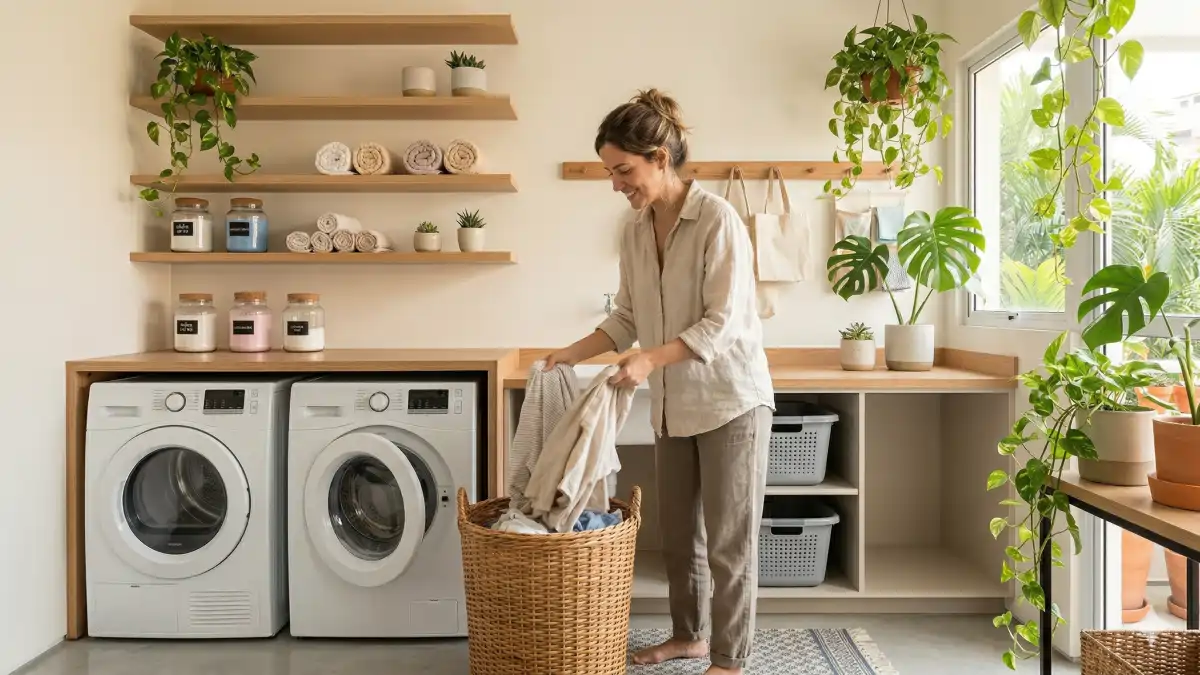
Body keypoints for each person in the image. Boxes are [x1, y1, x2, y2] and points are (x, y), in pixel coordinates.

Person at [544, 89, 775, 675]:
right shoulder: (633, 230)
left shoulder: (717, 220)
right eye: (609, 173)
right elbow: (627, 316)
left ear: (660, 157)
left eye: (624, 170)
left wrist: (648, 360)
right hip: (673, 405)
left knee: (729, 542)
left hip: (730, 402)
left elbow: (724, 323)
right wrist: (571, 353)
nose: (616, 184)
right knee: (679, 535)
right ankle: (688, 636)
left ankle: (729, 657)